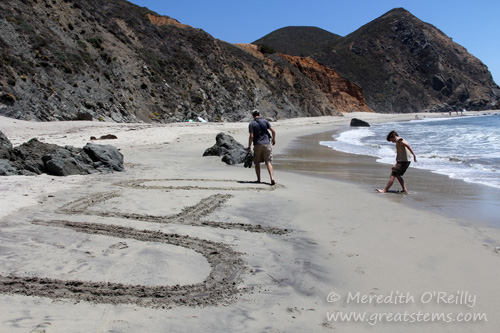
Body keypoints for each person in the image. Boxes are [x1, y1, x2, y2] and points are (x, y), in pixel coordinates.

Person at [248, 109, 276, 185]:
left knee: (257, 163)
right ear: (259, 114)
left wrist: (249, 147)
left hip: (257, 144)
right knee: (268, 162)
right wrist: (273, 139)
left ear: (252, 115)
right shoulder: (265, 121)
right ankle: (272, 178)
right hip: (267, 144)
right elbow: (273, 131)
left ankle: (259, 179)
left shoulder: (251, 124)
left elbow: (251, 136)